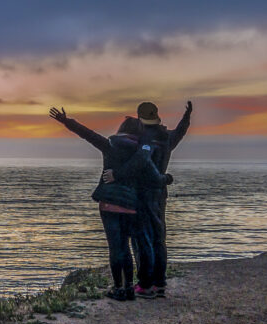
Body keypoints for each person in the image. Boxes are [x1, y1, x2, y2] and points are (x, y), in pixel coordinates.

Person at [49, 107, 172, 301]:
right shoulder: (142, 153)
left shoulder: (110, 145)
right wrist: (167, 179)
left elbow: (87, 134)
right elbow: (155, 177)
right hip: (132, 206)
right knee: (129, 248)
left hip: (109, 205)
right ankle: (130, 287)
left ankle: (118, 288)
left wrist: (66, 121)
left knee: (117, 247)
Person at [136, 100, 192, 298]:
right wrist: (187, 117)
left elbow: (138, 163)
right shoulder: (166, 138)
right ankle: (160, 283)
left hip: (142, 192)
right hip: (160, 193)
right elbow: (180, 132)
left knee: (143, 238)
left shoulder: (142, 138)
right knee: (159, 238)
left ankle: (145, 284)